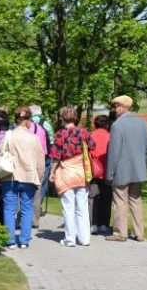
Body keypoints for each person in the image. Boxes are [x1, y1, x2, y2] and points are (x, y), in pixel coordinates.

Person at [105, 95, 147, 242]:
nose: (115, 109)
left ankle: (120, 233)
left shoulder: (117, 125)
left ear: (122, 107)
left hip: (121, 171)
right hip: (138, 170)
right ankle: (139, 233)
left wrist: (109, 173)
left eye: (116, 106)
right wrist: (146, 167)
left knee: (120, 201)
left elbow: (114, 152)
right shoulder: (143, 124)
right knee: (136, 201)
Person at [0, 106, 44, 249]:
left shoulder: (8, 135)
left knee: (9, 209)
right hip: (29, 176)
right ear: (27, 121)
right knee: (26, 208)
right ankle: (24, 240)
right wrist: (40, 177)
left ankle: (10, 240)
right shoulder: (34, 138)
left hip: (10, 176)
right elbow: (40, 161)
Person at [50, 106, 95, 247]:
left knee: (68, 208)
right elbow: (93, 146)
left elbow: (56, 157)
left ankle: (70, 239)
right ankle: (85, 239)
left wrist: (52, 172)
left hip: (66, 173)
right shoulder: (84, 132)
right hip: (82, 173)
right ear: (75, 118)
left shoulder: (60, 134)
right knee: (82, 208)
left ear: (63, 118)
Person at [29, 104, 52, 227]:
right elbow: (51, 141)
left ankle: (25, 212)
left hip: (28, 157)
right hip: (43, 157)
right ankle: (37, 210)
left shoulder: (27, 124)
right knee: (41, 184)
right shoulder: (46, 123)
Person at [88, 114, 112, 234]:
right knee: (106, 198)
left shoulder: (91, 136)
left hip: (94, 172)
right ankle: (104, 224)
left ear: (95, 124)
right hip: (108, 171)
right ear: (107, 124)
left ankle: (92, 224)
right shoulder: (110, 136)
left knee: (92, 197)